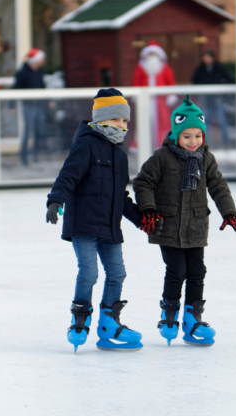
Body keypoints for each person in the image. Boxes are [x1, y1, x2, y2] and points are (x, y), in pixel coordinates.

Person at [133, 95, 236, 347]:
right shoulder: (162, 157)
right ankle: (169, 315)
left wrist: (229, 212)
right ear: (176, 135)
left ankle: (193, 318)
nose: (193, 141)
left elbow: (218, 186)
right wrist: (149, 210)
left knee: (197, 271)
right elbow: (142, 182)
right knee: (177, 271)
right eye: (187, 136)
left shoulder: (206, 159)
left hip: (196, 225)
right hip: (168, 225)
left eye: (198, 135)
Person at [45, 88, 144, 352]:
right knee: (89, 273)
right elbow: (69, 174)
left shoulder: (120, 156)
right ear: (100, 119)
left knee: (117, 273)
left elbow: (121, 197)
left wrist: (142, 221)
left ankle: (109, 323)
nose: (122, 126)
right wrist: (56, 199)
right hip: (85, 225)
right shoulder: (86, 144)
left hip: (109, 226)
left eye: (125, 121)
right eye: (116, 120)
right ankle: (79, 320)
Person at [132, 40, 178, 147]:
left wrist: (171, 94)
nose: (152, 56)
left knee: (163, 121)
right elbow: (136, 81)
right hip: (145, 99)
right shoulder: (141, 67)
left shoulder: (165, 67)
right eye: (150, 54)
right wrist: (136, 95)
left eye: (154, 54)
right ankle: (142, 145)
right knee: (143, 121)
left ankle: (163, 143)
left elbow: (170, 81)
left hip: (160, 99)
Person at [191, 49, 234, 146]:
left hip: (217, 98)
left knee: (222, 120)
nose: (206, 59)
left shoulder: (219, 68)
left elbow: (229, 79)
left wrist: (222, 89)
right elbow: (194, 80)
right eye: (205, 57)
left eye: (208, 57)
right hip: (206, 99)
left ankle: (226, 141)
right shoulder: (200, 69)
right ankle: (205, 141)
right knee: (205, 121)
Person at [13, 48, 46, 166]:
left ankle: (35, 154)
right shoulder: (22, 73)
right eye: (42, 58)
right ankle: (24, 157)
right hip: (28, 105)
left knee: (39, 129)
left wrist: (48, 101)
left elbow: (42, 87)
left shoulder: (40, 71)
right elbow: (15, 88)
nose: (43, 61)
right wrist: (11, 105)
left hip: (39, 105)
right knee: (28, 131)